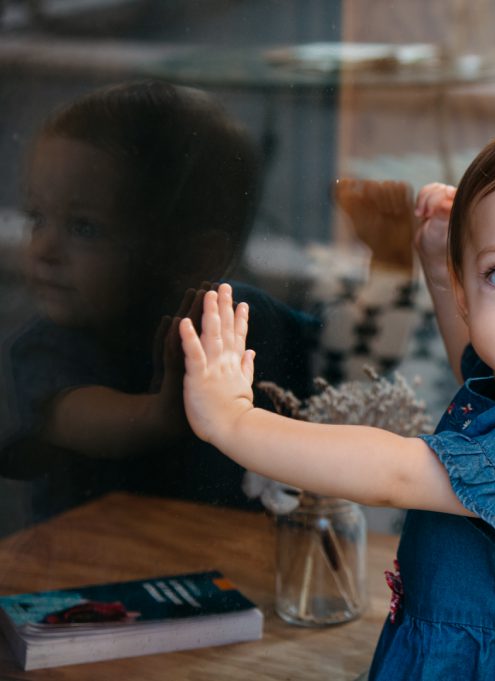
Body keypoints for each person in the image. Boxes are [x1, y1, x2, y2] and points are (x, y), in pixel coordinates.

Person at [179, 110, 495, 679]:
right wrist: (437, 268)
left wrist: (233, 422)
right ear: (466, 286)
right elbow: (476, 369)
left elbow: (397, 475)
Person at [0, 80, 316, 519]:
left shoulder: (239, 318)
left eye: (83, 228)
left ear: (194, 256)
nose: (44, 249)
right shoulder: (49, 345)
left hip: (222, 551)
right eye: (38, 217)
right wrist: (161, 415)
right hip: (81, 565)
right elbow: (77, 416)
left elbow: (326, 354)